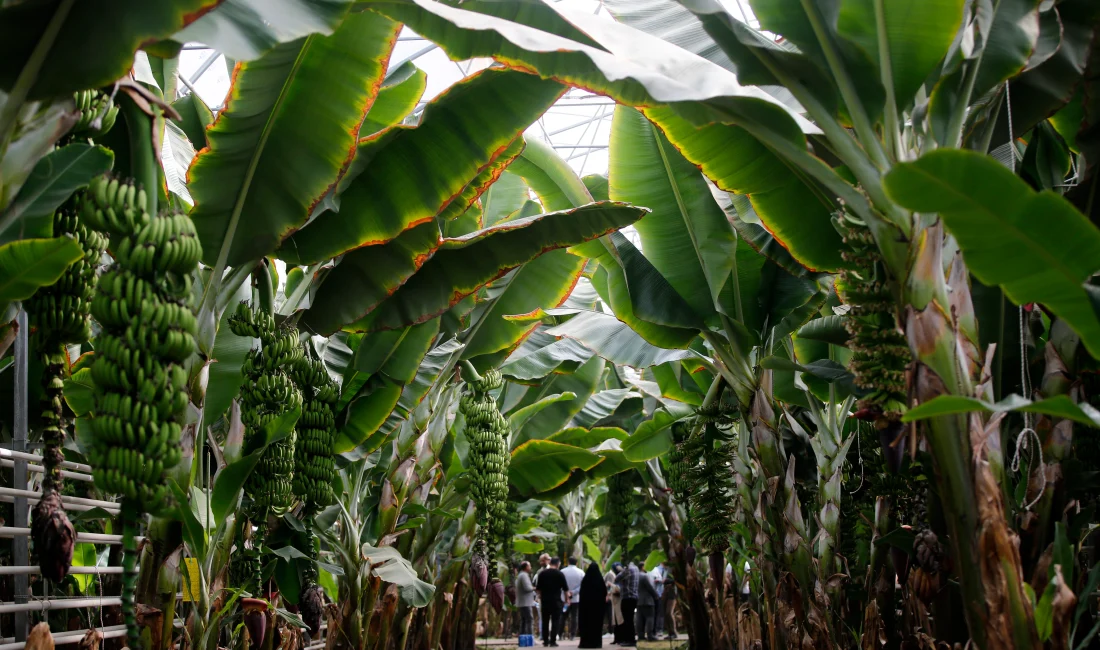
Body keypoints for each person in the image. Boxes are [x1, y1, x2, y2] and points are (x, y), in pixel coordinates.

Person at [536, 557, 568, 647]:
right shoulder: (560, 574)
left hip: (545, 601)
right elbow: (565, 589)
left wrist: (541, 597)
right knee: (555, 621)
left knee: (545, 621)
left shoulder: (542, 573)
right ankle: (553, 641)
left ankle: (545, 641)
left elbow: (538, 590)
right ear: (558, 564)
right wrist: (566, 600)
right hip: (556, 601)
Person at [578, 561, 608, 648]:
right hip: (597, 609)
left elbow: (581, 593)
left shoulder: (585, 581)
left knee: (586, 625)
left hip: (586, 609)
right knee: (597, 626)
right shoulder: (600, 581)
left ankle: (585, 643)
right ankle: (597, 643)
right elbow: (604, 592)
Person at [614, 562, 640, 647]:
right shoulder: (636, 568)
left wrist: (620, 569)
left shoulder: (627, 570)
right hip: (634, 597)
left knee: (627, 620)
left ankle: (630, 640)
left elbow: (616, 579)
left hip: (627, 597)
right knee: (630, 619)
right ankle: (630, 639)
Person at [561, 557, 585, 639]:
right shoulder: (581, 572)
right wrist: (573, 592)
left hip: (564, 598)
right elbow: (583, 586)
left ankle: (560, 634)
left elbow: (560, 585)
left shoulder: (562, 572)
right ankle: (572, 635)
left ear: (568, 562)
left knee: (563, 616)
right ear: (576, 563)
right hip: (576, 598)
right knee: (574, 617)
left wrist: (567, 592)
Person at [635, 567, 660, 642]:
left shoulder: (636, 576)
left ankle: (640, 635)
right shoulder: (644, 576)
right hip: (647, 600)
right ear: (643, 567)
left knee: (640, 618)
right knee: (650, 617)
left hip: (638, 600)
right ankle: (650, 635)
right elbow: (650, 588)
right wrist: (656, 596)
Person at [533, 554, 551, 639]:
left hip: (548, 597)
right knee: (542, 617)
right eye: (541, 560)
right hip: (541, 597)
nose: (542, 562)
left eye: (544, 560)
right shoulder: (539, 572)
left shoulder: (550, 570)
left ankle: (549, 634)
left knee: (548, 617)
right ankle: (543, 634)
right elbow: (536, 586)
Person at [659, 561, 678, 640]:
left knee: (669, 612)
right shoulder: (665, 570)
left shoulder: (671, 569)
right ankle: (670, 632)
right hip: (665, 592)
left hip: (672, 593)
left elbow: (675, 580)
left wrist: (666, 581)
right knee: (665, 613)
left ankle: (674, 632)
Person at [516, 562, 536, 637]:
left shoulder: (520, 575)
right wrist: (535, 588)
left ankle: (523, 637)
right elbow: (527, 588)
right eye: (529, 566)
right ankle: (530, 637)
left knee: (524, 620)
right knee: (529, 620)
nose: (530, 567)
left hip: (523, 602)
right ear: (526, 567)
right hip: (525, 602)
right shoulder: (524, 575)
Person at [605, 563, 623, 641]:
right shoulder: (618, 576)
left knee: (618, 619)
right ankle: (616, 637)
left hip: (618, 600)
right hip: (615, 600)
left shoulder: (619, 577)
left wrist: (611, 585)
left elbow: (617, 589)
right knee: (615, 618)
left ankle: (618, 637)